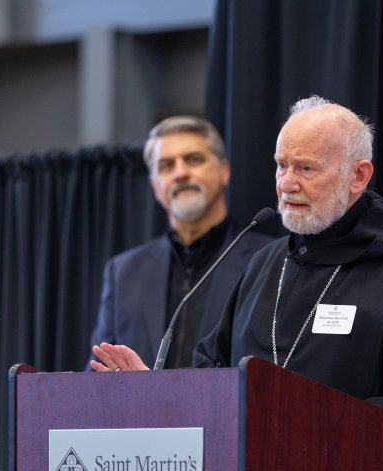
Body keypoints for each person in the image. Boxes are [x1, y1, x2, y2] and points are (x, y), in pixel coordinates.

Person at [91, 97, 383, 461]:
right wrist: (155, 393)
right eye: (281, 165)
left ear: (358, 176)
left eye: (306, 168)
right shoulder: (264, 264)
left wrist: (305, 431)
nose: (287, 184)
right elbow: (211, 372)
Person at [86, 115, 273, 369]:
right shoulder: (123, 272)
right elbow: (97, 372)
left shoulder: (269, 260)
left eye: (194, 159)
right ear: (154, 184)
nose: (181, 173)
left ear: (224, 171)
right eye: (166, 165)